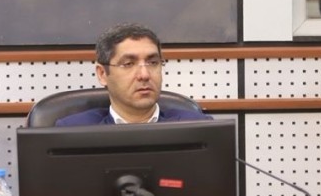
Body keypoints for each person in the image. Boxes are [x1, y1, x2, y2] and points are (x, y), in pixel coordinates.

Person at [55, 23, 212, 125]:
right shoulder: (72, 131)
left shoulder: (198, 126)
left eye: (153, 62)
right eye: (128, 64)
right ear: (102, 74)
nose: (144, 75)